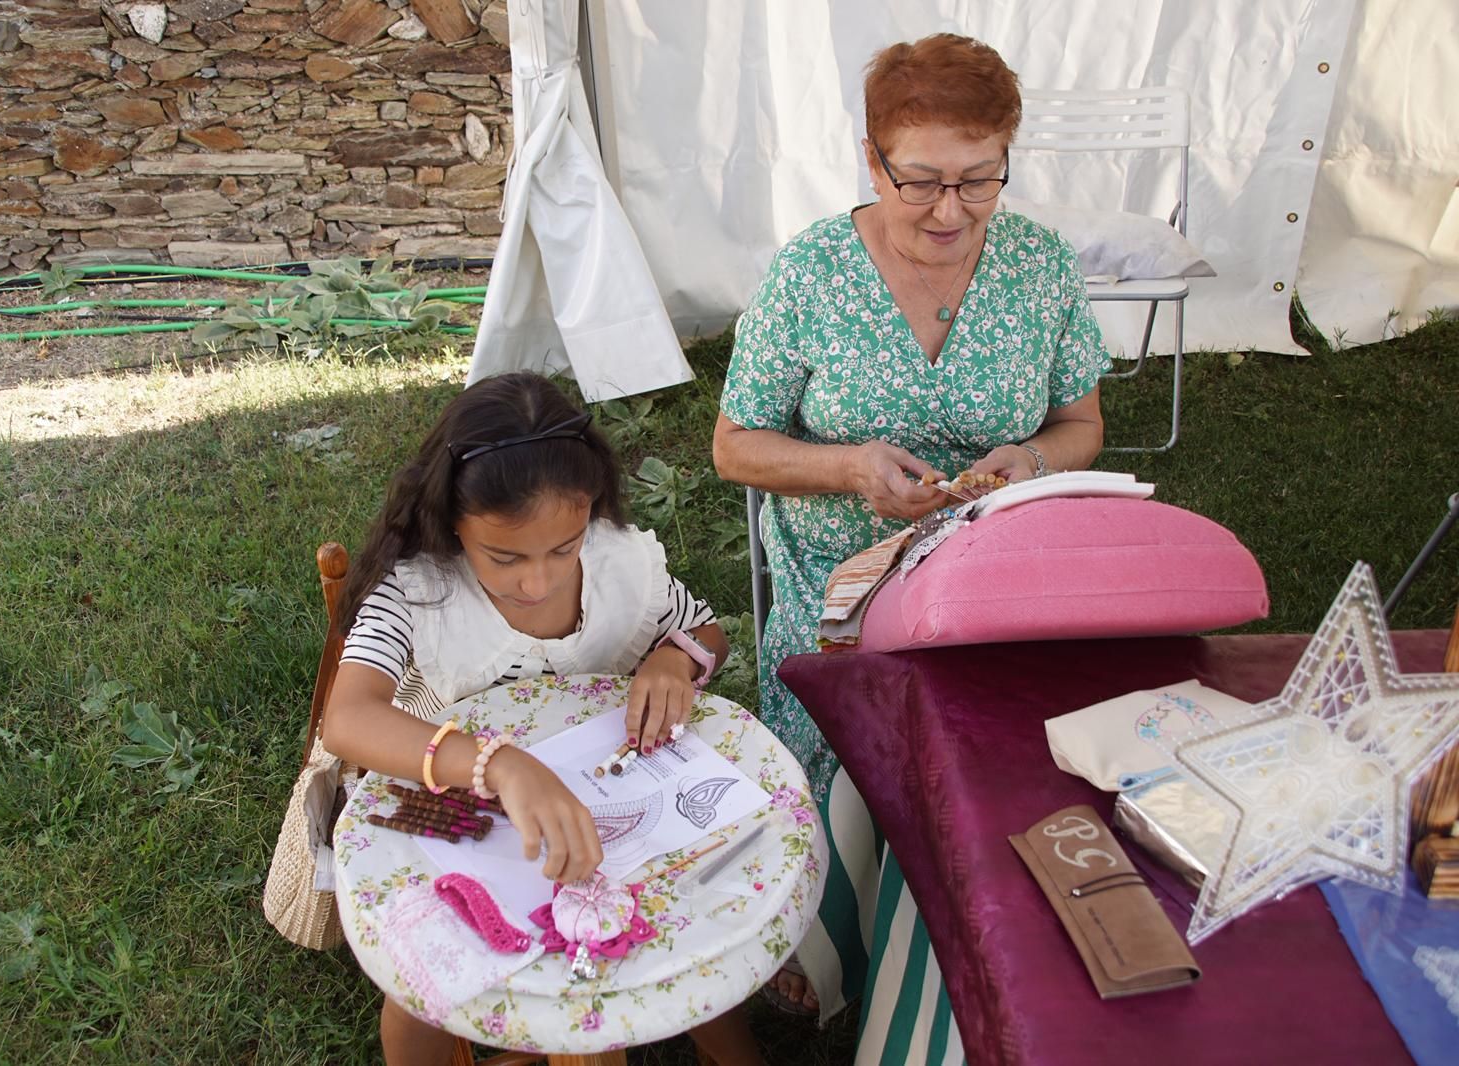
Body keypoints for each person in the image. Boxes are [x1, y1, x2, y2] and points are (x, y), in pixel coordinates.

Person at [713, 34, 1113, 1065]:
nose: (948, 211)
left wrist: (1028, 454)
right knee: (873, 718)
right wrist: (849, 470)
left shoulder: (1036, 265)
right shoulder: (809, 270)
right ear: (869, 157)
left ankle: (968, 926)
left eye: (977, 181)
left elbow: (1082, 424)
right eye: (921, 180)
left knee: (1003, 742)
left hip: (992, 568)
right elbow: (734, 444)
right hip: (839, 575)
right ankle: (842, 932)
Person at [321, 371, 759, 1066]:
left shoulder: (621, 566)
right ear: (452, 522)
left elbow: (704, 631)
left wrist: (672, 663)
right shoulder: (418, 591)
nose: (538, 581)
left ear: (590, 514)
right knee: (423, 995)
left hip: (606, 789)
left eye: (563, 548)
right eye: (504, 556)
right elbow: (346, 720)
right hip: (452, 802)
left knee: (688, 922)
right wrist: (497, 763)